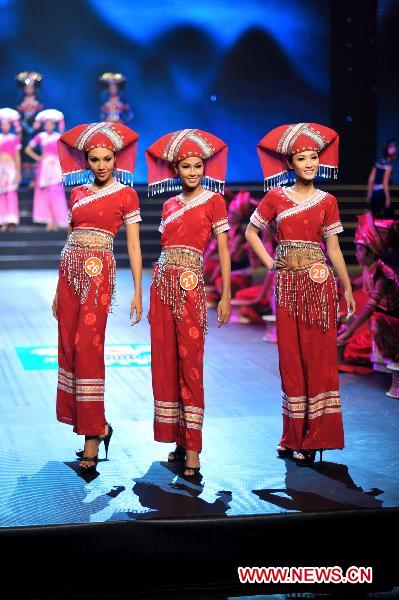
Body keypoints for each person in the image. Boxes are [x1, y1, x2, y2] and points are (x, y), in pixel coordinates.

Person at [245, 123, 356, 465]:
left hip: (319, 284)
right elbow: (251, 232)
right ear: (290, 163)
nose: (309, 163)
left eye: (313, 158)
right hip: (289, 287)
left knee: (318, 360)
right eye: (301, 158)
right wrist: (271, 263)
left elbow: (334, 247)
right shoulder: (276, 197)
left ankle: (316, 435)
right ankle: (292, 435)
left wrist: (347, 287)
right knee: (291, 360)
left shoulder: (329, 201)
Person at [54, 122, 143, 472]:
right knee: (69, 349)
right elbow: (68, 239)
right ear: (86, 160)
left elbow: (134, 246)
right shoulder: (77, 193)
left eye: (107, 158)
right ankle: (97, 426)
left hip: (97, 275)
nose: (101, 165)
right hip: (69, 276)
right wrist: (56, 290)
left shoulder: (126, 194)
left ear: (116, 159)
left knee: (88, 349)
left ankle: (93, 437)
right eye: (94, 159)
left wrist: (137, 290)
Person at [146, 128, 231, 477]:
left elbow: (223, 250)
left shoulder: (214, 201)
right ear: (176, 170)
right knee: (166, 364)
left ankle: (194, 449)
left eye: (198, 166)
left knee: (191, 364)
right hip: (162, 285)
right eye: (186, 166)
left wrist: (224, 294)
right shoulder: (169, 204)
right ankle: (178, 442)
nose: (193, 172)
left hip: (192, 286)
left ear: (205, 168)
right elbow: (165, 249)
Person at [337, 213, 399, 370]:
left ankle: (387, 358)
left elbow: (370, 309)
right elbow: (354, 285)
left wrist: (349, 332)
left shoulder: (383, 274)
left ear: (371, 253)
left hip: (391, 325)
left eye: (359, 250)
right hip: (383, 322)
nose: (356, 254)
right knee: (344, 318)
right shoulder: (369, 269)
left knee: (371, 323)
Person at [25, 109, 68, 230]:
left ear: (54, 125)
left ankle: (57, 220)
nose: (48, 126)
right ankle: (49, 220)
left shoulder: (58, 136)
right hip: (44, 168)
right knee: (45, 194)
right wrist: (38, 157)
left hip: (56, 168)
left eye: (51, 124)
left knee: (56, 193)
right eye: (47, 124)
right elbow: (28, 149)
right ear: (44, 125)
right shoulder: (41, 136)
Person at [15, 71, 43, 185]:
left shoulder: (39, 103)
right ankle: (24, 178)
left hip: (36, 132)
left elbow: (41, 116)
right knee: (24, 150)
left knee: (35, 148)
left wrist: (38, 123)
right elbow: (19, 117)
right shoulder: (20, 103)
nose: (28, 89)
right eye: (26, 87)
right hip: (24, 133)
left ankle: (36, 177)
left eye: (31, 87)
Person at [0, 108, 21, 231]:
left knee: (11, 194)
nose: (5, 126)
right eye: (3, 124)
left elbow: (17, 157)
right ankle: (2, 220)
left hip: (11, 168)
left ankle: (11, 220)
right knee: (1, 195)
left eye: (7, 124)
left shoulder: (14, 138)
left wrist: (18, 173)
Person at [367, 138, 397, 218]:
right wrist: (388, 198)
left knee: (376, 217)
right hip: (381, 193)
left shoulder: (378, 163)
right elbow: (385, 182)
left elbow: (371, 180)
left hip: (374, 193)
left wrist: (369, 194)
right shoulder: (388, 166)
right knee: (387, 218)